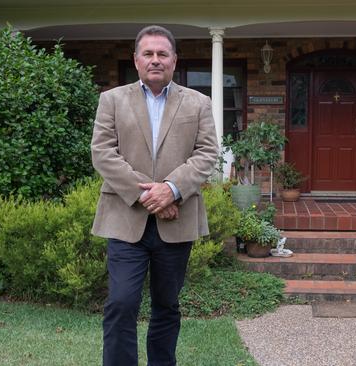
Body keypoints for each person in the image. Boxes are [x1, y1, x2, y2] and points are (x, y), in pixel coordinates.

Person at [90, 25, 219, 366]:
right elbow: (103, 152)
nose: (155, 60)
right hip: (124, 221)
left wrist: (172, 190)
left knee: (166, 306)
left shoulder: (198, 103)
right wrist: (151, 195)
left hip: (176, 223)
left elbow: (207, 153)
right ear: (136, 60)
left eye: (162, 54)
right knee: (121, 302)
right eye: (148, 53)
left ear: (174, 60)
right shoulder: (112, 100)